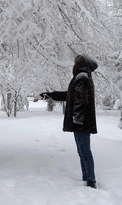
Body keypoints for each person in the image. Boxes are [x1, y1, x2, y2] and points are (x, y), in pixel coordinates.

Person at [40, 54, 98, 189]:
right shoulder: (83, 77)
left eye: (75, 63)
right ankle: (87, 178)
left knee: (85, 151)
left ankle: (90, 180)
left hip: (81, 123)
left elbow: (80, 102)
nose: (73, 66)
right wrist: (51, 95)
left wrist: (77, 121)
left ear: (80, 65)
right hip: (82, 122)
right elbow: (70, 95)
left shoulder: (81, 78)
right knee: (82, 150)